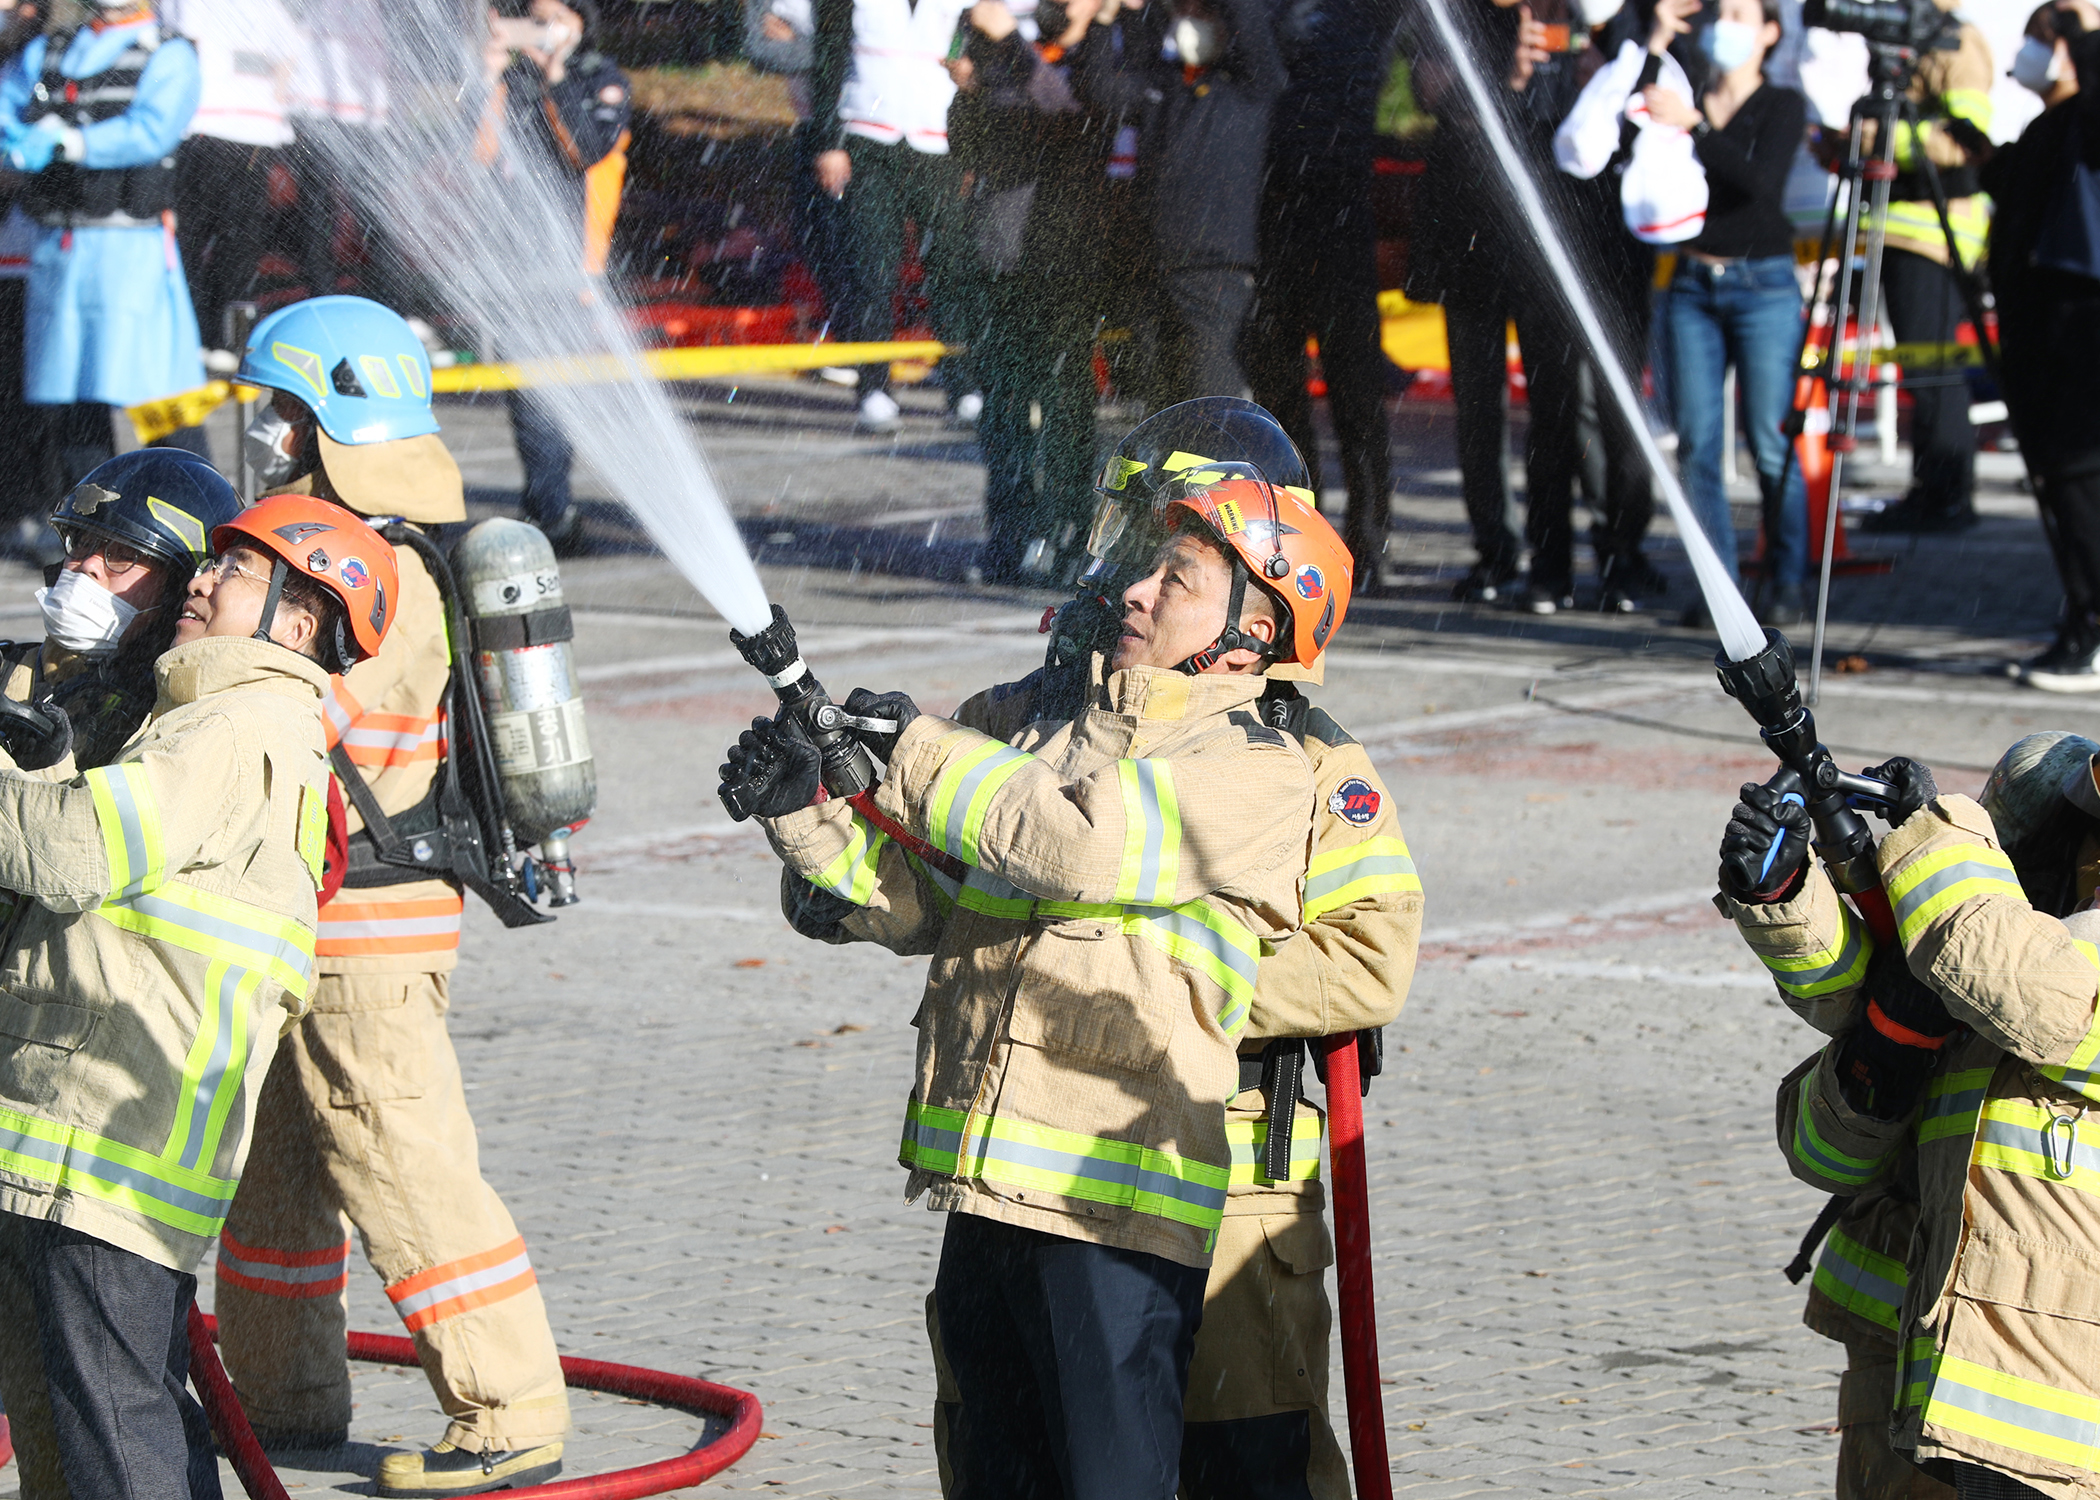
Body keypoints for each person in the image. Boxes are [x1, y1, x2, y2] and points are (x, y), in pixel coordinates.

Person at [719, 423, 1355, 1496]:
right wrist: (810, 813)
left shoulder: (1257, 765)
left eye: (1178, 580)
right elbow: (931, 903)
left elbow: (1074, 847)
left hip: (1110, 1211)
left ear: (1251, 637)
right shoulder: (1061, 729)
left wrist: (913, 747)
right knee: (990, 1478)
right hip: (988, 1188)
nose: (1139, 591)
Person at [921, 400, 1422, 1499]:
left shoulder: (1302, 761)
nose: (1130, 578)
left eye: (1169, 558)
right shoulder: (1054, 712)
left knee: (1243, 1466)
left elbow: (1371, 956)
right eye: (1132, 542)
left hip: (1238, 1182)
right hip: (1047, 1164)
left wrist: (1172, 976)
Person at [217, 295, 574, 1495]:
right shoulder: (361, 544)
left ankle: (507, 1408)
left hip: (366, 923)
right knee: (274, 1171)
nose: (266, 435)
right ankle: (283, 1398)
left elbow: (310, 721)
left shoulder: (382, 571)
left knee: (401, 1159)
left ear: (328, 423)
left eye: (282, 413)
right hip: (300, 912)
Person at [0, 488, 396, 1500]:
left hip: (106, 1153)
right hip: (80, 1137)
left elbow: (71, 853)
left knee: (118, 1439)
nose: (204, 578)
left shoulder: (235, 727)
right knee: (79, 1435)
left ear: (299, 621)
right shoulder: (212, 716)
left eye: (236, 572)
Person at [1720, 731, 2100, 1500]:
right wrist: (1785, 893)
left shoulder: (2030, 975)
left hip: (2049, 1438)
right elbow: (1825, 1151)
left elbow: (2002, 964)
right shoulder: (1975, 971)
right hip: (1913, 1395)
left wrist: (1927, 828)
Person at [1407, 0, 1591, 612]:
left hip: (1548, 245)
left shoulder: (1567, 14)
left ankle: (1553, 562)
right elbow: (1433, 92)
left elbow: (1577, 118)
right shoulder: (1455, 15)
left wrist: (1533, 79)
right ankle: (1495, 553)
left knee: (1553, 415)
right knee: (1477, 412)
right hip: (1468, 242)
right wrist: (1499, 81)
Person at [1641, 0, 1811, 626]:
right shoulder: (1682, 82)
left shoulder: (1783, 103)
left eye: (1743, 14)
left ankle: (1788, 580)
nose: (1725, 26)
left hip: (1762, 283)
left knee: (1771, 442)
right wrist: (1657, 36)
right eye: (1721, 13)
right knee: (1697, 446)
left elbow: (1759, 182)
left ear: (1770, 32)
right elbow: (1629, 99)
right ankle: (1721, 589)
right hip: (1689, 283)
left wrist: (1696, 127)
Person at [0, 0, 209, 490]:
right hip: (58, 249)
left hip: (129, 251)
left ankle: (197, 510)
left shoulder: (168, 52)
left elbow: (153, 130)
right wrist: (14, 138)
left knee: (159, 397)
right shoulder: (55, 47)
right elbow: (7, 102)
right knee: (71, 399)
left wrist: (73, 143)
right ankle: (91, 526)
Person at [949, 0, 1111, 584]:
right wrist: (972, 88)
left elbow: (1068, 117)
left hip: (1063, 261)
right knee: (1005, 406)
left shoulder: (1097, 55)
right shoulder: (1005, 55)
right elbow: (964, 144)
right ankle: (1009, 533)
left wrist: (1011, 48)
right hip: (999, 255)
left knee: (1067, 405)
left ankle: (1071, 534)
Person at [1242, 0, 1399, 593]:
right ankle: (1296, 529)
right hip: (1272, 215)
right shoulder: (1265, 14)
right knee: (1280, 397)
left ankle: (1368, 536)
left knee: (1357, 394)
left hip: (1341, 214)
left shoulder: (1365, 14)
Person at [1964, 3, 2100, 688]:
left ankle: (2093, 627)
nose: (2032, 52)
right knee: (2061, 479)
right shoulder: (2049, 126)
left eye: (2044, 41)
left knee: (2079, 479)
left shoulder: (2088, 115)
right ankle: (2081, 617)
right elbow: (2011, 188)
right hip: (2037, 335)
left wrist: (2080, 32)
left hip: (2080, 334)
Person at [1072, 0, 1286, 408]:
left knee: (1209, 402)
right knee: (1159, 404)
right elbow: (1099, 87)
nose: (1191, 21)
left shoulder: (1251, 86)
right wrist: (1106, 19)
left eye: (1203, 12)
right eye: (1184, 11)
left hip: (1215, 274)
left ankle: (1211, 474)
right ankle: (1164, 474)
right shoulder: (1162, 85)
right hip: (1153, 270)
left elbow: (1249, 20)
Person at [482, 0, 630, 554]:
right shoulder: (511, 80)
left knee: (557, 393)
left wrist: (556, 76)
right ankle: (547, 502)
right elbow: (478, 152)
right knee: (528, 397)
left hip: (572, 267)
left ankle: (553, 506)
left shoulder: (601, 79)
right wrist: (489, 75)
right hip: (514, 263)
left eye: (552, 19)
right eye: (533, 19)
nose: (541, 31)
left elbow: (584, 150)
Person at [1848, 0, 1993, 536]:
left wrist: (1871, 138)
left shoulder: (1958, 40)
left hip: (1935, 229)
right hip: (1901, 227)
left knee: (1933, 367)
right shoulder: (1911, 38)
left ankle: (1947, 496)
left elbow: (1964, 138)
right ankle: (1932, 488)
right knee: (1920, 366)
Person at [808, 0, 981, 434]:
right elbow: (828, 55)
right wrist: (829, 140)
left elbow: (977, 59)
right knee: (872, 271)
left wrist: (974, 149)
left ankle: (963, 388)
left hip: (940, 146)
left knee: (951, 270)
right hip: (868, 142)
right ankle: (874, 390)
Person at [162, 0, 303, 365]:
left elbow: (182, 45)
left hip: (218, 126)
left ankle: (202, 334)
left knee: (201, 237)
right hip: (239, 128)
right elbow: (288, 57)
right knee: (230, 239)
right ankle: (215, 337)